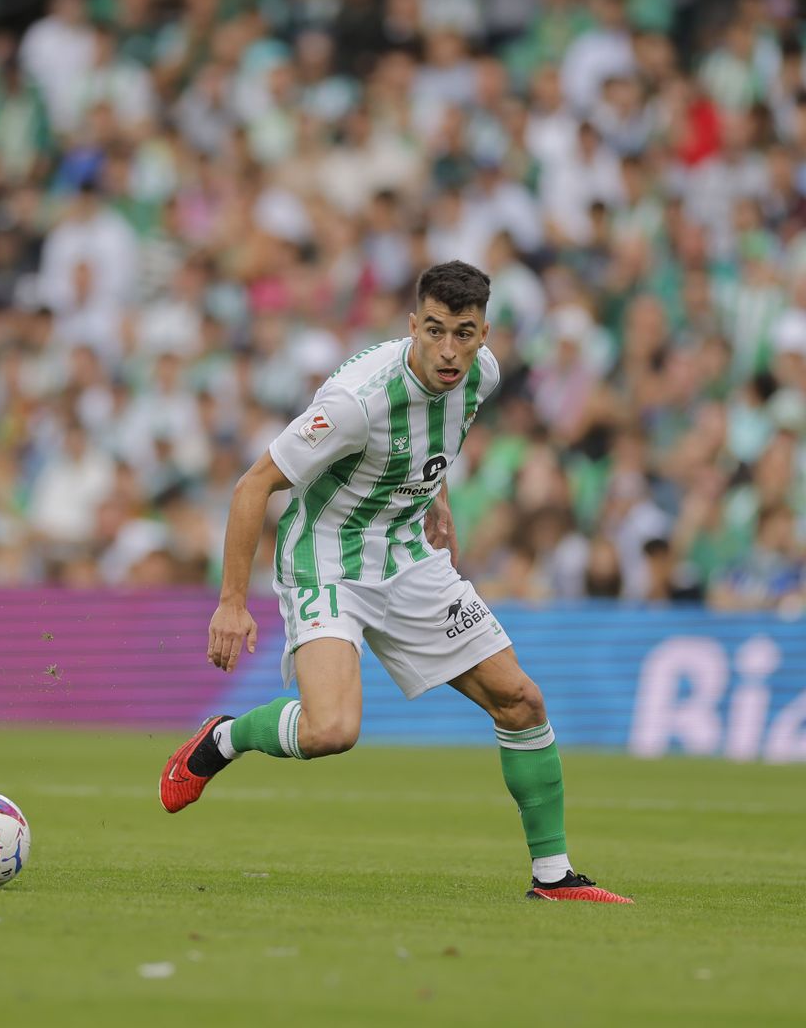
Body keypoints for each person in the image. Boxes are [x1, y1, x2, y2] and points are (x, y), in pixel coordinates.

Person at [158, 261, 631, 904]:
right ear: (412, 324)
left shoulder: (481, 377)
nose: (448, 350)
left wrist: (434, 495)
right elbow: (253, 485)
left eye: (464, 334)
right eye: (433, 330)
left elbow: (429, 441)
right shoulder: (356, 401)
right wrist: (232, 603)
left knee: (521, 700)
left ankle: (554, 877)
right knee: (331, 732)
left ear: (484, 334)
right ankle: (224, 738)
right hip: (326, 557)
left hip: (407, 553)